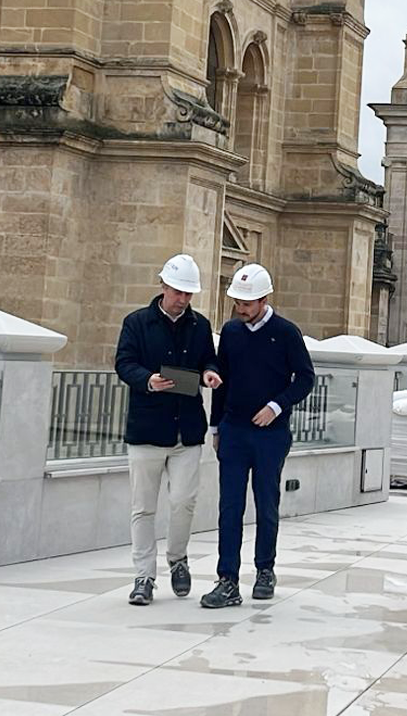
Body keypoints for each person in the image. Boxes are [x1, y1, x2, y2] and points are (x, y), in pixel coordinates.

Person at [200, 263, 315, 609]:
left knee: (267, 504)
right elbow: (223, 380)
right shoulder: (232, 332)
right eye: (238, 302)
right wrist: (216, 426)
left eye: (247, 303)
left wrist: (276, 406)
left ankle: (265, 570)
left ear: (264, 299)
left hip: (271, 434)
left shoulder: (287, 333)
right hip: (234, 431)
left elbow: (305, 378)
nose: (241, 309)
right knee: (229, 507)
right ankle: (227, 580)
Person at [114, 254, 221, 606]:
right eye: (178, 292)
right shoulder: (137, 323)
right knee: (143, 508)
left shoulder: (200, 326)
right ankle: (143, 576)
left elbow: (209, 358)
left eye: (188, 294)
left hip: (186, 431)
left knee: (183, 503)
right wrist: (148, 380)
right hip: (147, 428)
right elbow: (124, 363)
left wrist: (208, 372)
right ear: (163, 286)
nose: (183, 299)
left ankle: (178, 558)